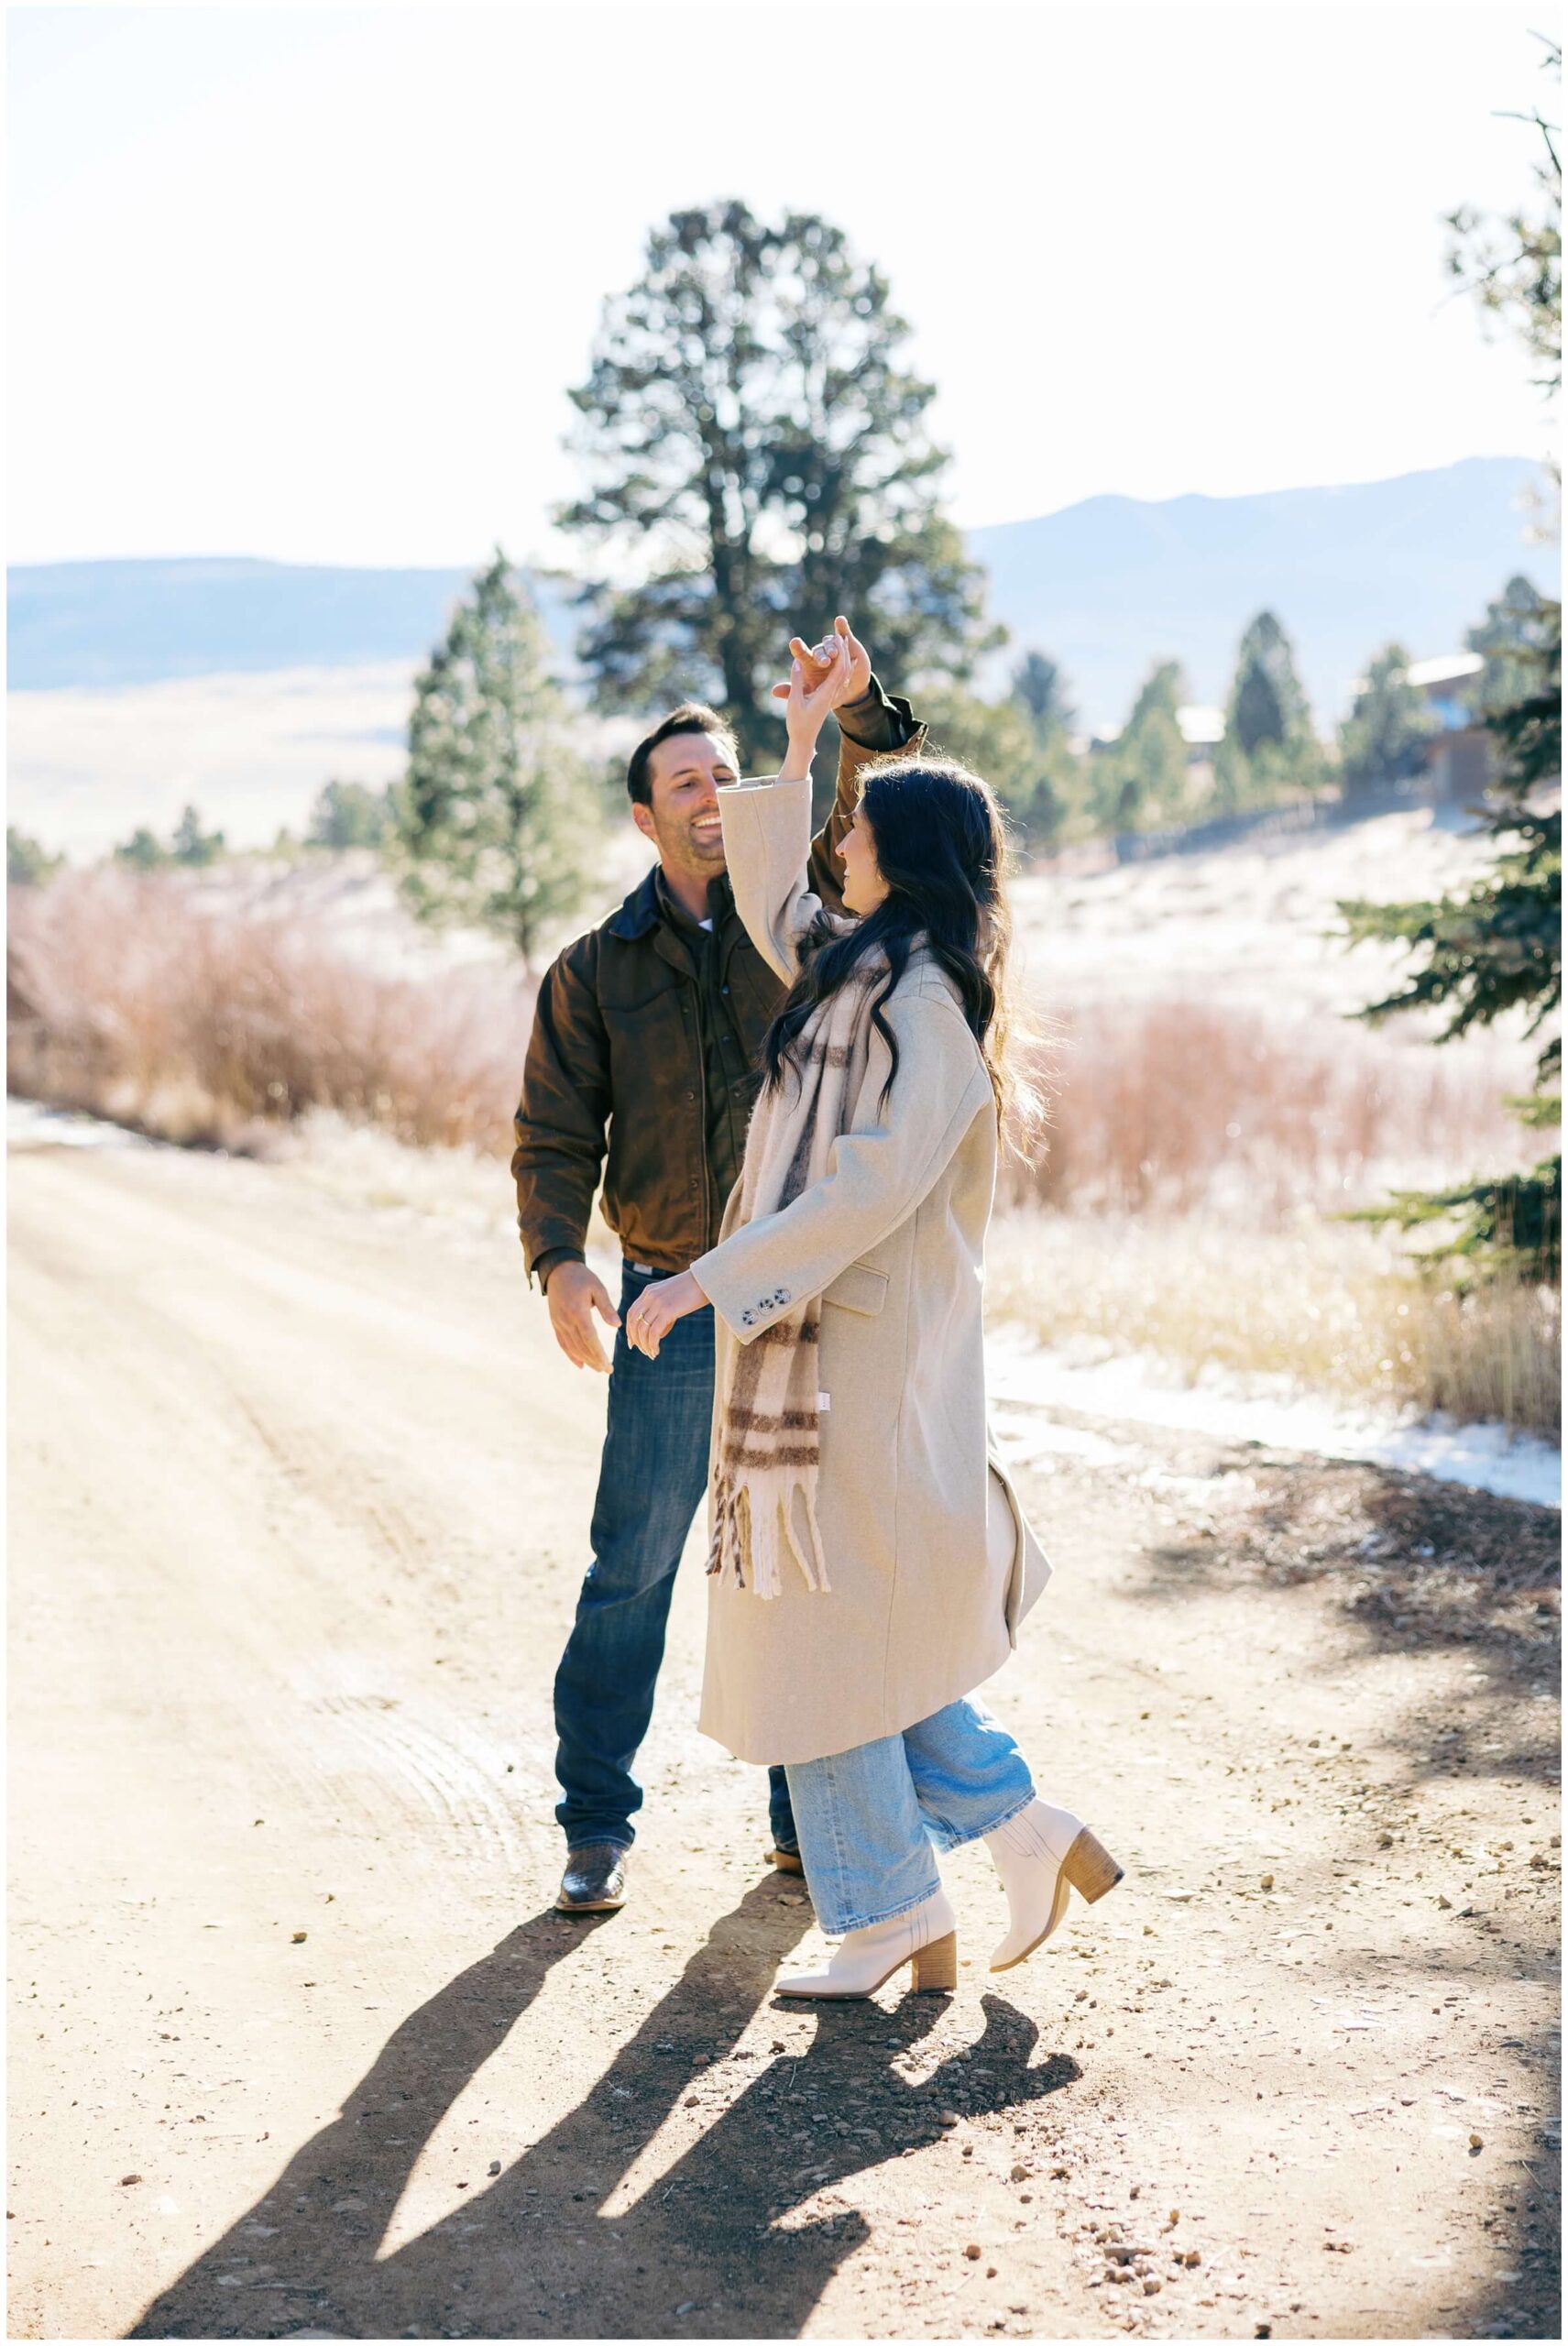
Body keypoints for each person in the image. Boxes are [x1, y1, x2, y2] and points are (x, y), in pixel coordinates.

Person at [623, 626, 1124, 1996]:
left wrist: (701, 1279)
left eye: (858, 831)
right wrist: (803, 736)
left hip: (863, 1367)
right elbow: (776, 889)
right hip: (823, 1370)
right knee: (836, 1634)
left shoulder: (924, 1008)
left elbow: (855, 1197)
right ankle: (1019, 1832)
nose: (839, 842)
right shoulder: (859, 973)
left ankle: (892, 1903)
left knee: (821, 1639)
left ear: (902, 860)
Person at [511, 625, 924, 1916]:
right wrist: (558, 1264)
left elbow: (869, 812)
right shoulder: (593, 969)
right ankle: (595, 1823)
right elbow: (554, 1131)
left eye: (724, 775)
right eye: (685, 783)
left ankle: (806, 1825)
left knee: (795, 1557)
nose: (710, 795)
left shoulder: (796, 917)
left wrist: (852, 714)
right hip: (669, 1298)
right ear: (646, 818)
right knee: (635, 1560)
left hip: (799, 1296)